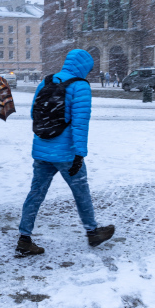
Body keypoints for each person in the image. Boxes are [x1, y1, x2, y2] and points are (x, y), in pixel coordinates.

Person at [16, 48, 115, 256]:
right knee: (81, 191)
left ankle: (24, 238)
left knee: (35, 193)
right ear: (84, 67)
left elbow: (35, 113)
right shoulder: (80, 86)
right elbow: (80, 124)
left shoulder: (46, 81)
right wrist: (79, 154)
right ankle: (92, 232)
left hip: (42, 150)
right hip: (67, 153)